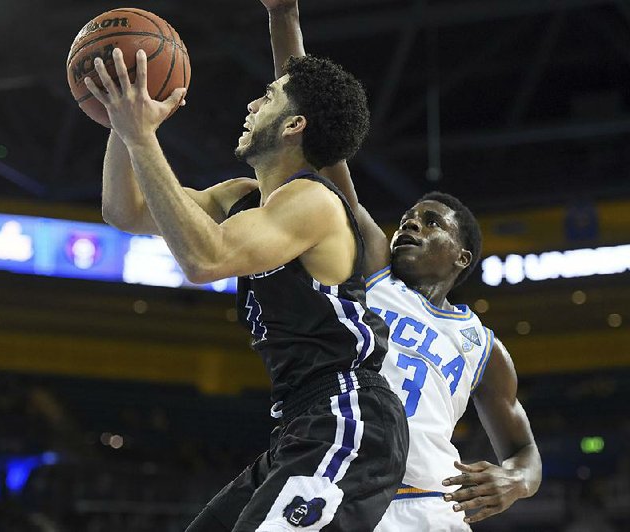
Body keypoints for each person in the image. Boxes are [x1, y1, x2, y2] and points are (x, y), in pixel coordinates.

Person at [86, 42, 409, 530]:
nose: (252, 105)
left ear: (293, 125)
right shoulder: (241, 198)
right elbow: (124, 212)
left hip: (348, 413)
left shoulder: (313, 202)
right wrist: (123, 124)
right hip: (299, 422)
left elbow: (205, 258)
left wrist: (143, 135)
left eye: (269, 96)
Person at [260, 0, 542, 529]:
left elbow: (525, 449)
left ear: (462, 256)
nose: (409, 225)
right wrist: (284, 17)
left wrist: (516, 481)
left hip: (431, 507)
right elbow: (322, 141)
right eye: (408, 219)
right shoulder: (374, 268)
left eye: (431, 222)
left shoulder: (483, 345)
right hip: (342, 489)